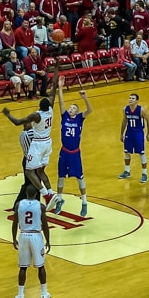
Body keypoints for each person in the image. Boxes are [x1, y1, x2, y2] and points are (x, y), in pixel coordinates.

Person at [3, 79, 59, 206]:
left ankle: (47, 195)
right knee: (40, 172)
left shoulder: (35, 118)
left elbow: (18, 122)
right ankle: (50, 192)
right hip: (47, 142)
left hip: (37, 147)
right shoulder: (50, 111)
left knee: (30, 173)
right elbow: (52, 92)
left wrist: (8, 115)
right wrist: (56, 70)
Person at [52, 85, 92, 217]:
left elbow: (90, 110)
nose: (70, 109)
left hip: (75, 153)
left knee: (80, 178)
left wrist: (85, 98)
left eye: (73, 108)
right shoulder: (64, 117)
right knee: (61, 176)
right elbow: (61, 103)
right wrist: (60, 88)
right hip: (64, 152)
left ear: (77, 111)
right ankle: (59, 199)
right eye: (70, 108)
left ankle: (84, 202)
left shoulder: (80, 118)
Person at [11, 185, 52, 298]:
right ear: (35, 195)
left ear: (26, 194)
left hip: (23, 235)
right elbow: (45, 225)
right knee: (41, 266)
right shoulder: (40, 206)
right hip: (36, 236)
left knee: (23, 267)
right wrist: (48, 241)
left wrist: (14, 238)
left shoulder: (19, 204)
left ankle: (20, 295)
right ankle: (44, 293)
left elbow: (14, 223)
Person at [118, 92, 149, 183]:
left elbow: (148, 121)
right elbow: (124, 121)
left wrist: (148, 133)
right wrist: (121, 134)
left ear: (137, 100)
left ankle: (144, 174)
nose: (130, 100)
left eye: (132, 98)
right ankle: (127, 171)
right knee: (126, 152)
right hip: (129, 133)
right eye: (129, 98)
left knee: (141, 153)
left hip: (138, 133)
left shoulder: (141, 110)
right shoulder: (125, 109)